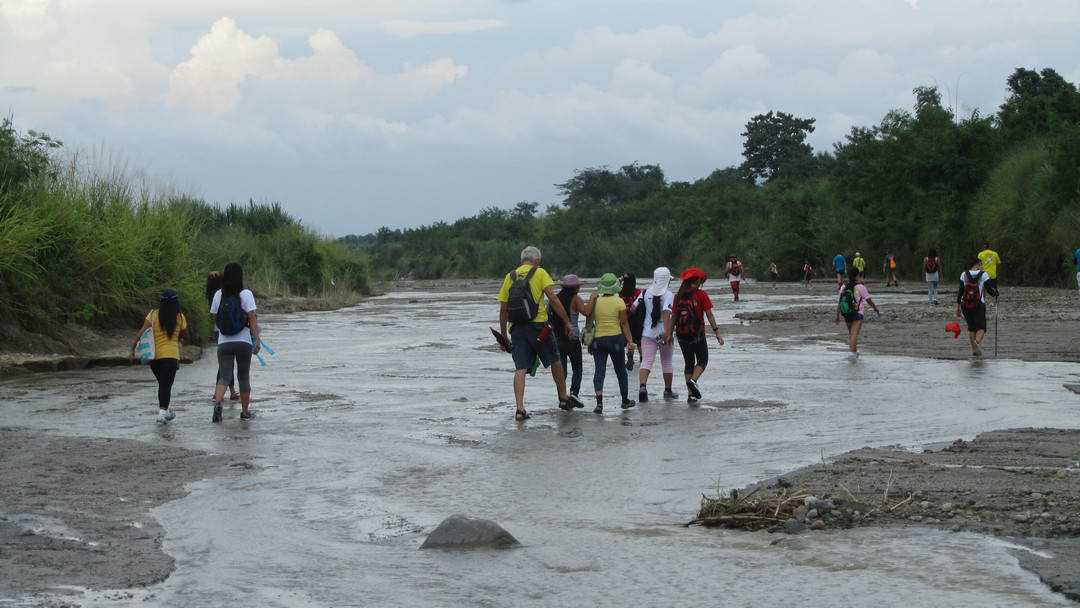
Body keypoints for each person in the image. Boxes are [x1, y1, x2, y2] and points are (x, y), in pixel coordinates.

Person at [497, 246, 574, 420]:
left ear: (521, 260)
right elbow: (553, 299)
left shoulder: (510, 276)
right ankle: (563, 398)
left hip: (517, 328)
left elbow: (503, 308)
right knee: (555, 359)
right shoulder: (540, 273)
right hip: (539, 326)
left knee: (520, 367)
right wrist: (567, 322)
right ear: (537, 261)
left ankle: (519, 409)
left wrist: (503, 336)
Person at [209, 262, 261, 422]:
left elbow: (215, 316)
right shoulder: (246, 294)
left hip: (224, 342)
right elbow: (251, 318)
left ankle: (218, 404)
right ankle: (245, 412)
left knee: (224, 376)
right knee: (243, 377)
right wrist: (257, 340)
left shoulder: (219, 294)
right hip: (243, 341)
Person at [129, 289, 190, 424]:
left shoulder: (153, 314)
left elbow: (141, 332)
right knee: (165, 386)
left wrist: (132, 349)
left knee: (163, 385)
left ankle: (166, 412)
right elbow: (186, 335)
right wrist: (185, 342)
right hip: (171, 357)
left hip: (155, 358)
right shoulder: (180, 317)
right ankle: (162, 414)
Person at [586, 273, 637, 413]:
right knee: (620, 370)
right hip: (615, 339)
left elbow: (589, 322)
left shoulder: (596, 301)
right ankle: (625, 400)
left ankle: (599, 402)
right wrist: (630, 341)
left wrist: (590, 343)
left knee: (599, 371)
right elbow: (624, 323)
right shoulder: (619, 302)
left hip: (598, 340)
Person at [673, 268, 724, 404]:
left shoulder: (678, 295)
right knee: (702, 360)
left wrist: (669, 333)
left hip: (681, 334)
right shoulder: (701, 294)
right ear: (698, 281)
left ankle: (691, 396)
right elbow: (709, 314)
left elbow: (674, 316)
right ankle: (693, 381)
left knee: (689, 363)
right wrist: (717, 332)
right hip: (697, 333)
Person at [631, 267, 677, 402]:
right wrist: (667, 332)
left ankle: (643, 387)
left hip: (647, 333)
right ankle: (667, 391)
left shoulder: (645, 293)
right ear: (667, 280)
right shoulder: (669, 295)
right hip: (663, 334)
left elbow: (633, 308)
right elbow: (667, 312)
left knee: (646, 361)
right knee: (667, 361)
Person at [548, 274, 589, 408]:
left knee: (561, 371)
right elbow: (586, 312)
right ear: (575, 288)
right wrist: (593, 299)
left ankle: (562, 398)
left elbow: (547, 314)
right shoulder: (576, 299)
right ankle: (574, 393)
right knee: (577, 368)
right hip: (573, 338)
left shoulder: (554, 300)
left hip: (557, 338)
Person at [205, 270, 239, 401]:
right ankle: (218, 393)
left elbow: (214, 314)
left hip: (218, 331)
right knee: (226, 364)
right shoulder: (228, 294)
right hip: (230, 331)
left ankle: (232, 392)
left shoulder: (213, 295)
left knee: (226, 363)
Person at [834, 269, 881, 359]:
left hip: (846, 313)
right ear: (857, 276)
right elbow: (868, 299)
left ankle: (854, 353)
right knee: (854, 335)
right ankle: (851, 355)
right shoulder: (860, 287)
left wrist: (837, 315)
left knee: (851, 334)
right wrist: (875, 308)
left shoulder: (843, 286)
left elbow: (840, 301)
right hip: (858, 313)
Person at [956, 257, 990, 357]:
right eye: (981, 264)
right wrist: (995, 293)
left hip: (965, 304)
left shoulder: (964, 274)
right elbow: (989, 290)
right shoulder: (984, 274)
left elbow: (961, 292)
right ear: (978, 264)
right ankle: (977, 341)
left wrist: (958, 307)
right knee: (982, 327)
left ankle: (975, 351)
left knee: (972, 328)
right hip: (979, 303)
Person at [619, 273, 643, 371]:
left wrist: (621, 278)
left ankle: (628, 356)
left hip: (624, 319)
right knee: (639, 341)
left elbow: (614, 286)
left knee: (625, 340)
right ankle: (642, 359)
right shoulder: (638, 292)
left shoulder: (621, 292)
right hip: (636, 319)